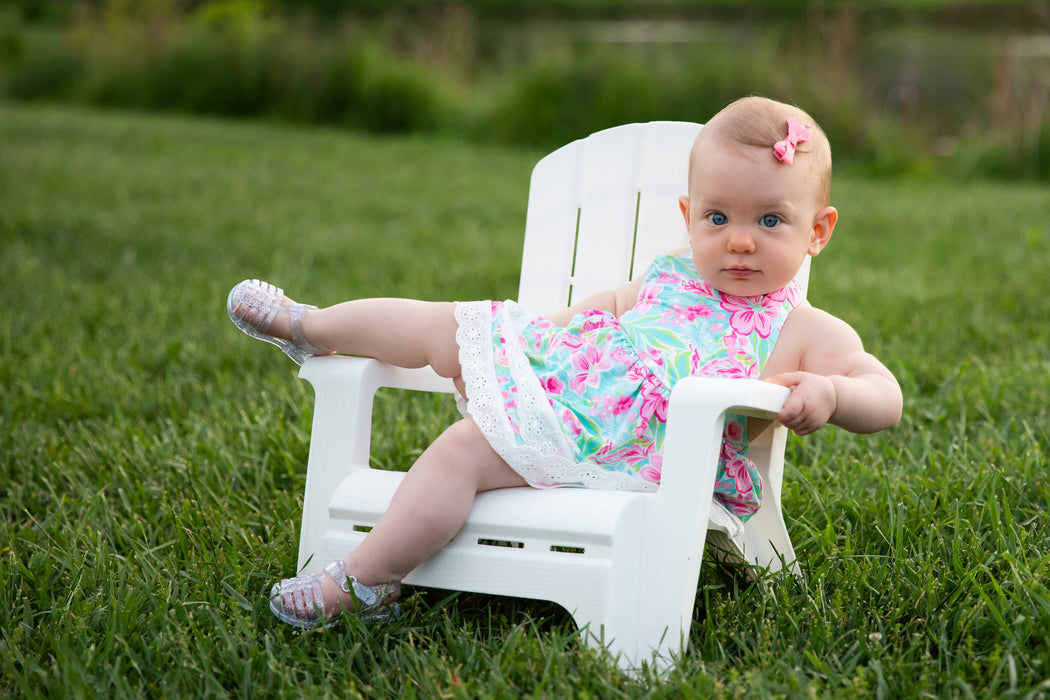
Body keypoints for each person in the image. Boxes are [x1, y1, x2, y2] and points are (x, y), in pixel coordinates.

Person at [227, 96, 903, 629]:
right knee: (451, 322)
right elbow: (609, 305)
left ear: (819, 231)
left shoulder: (803, 328)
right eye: (718, 217)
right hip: (569, 385)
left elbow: (886, 393)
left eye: (771, 222)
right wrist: (535, 335)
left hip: (629, 450)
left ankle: (364, 578)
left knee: (463, 450)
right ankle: (309, 325)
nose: (740, 242)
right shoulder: (672, 276)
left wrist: (833, 395)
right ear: (688, 214)